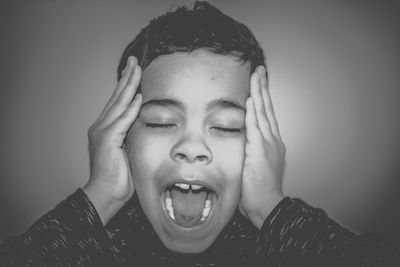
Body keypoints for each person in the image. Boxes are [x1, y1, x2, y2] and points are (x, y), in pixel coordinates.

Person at [0, 1, 399, 266]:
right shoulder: (84, 246)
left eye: (226, 126)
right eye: (160, 122)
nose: (192, 147)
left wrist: (271, 209)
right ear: (122, 139)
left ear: (258, 144)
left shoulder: (284, 248)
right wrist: (98, 198)